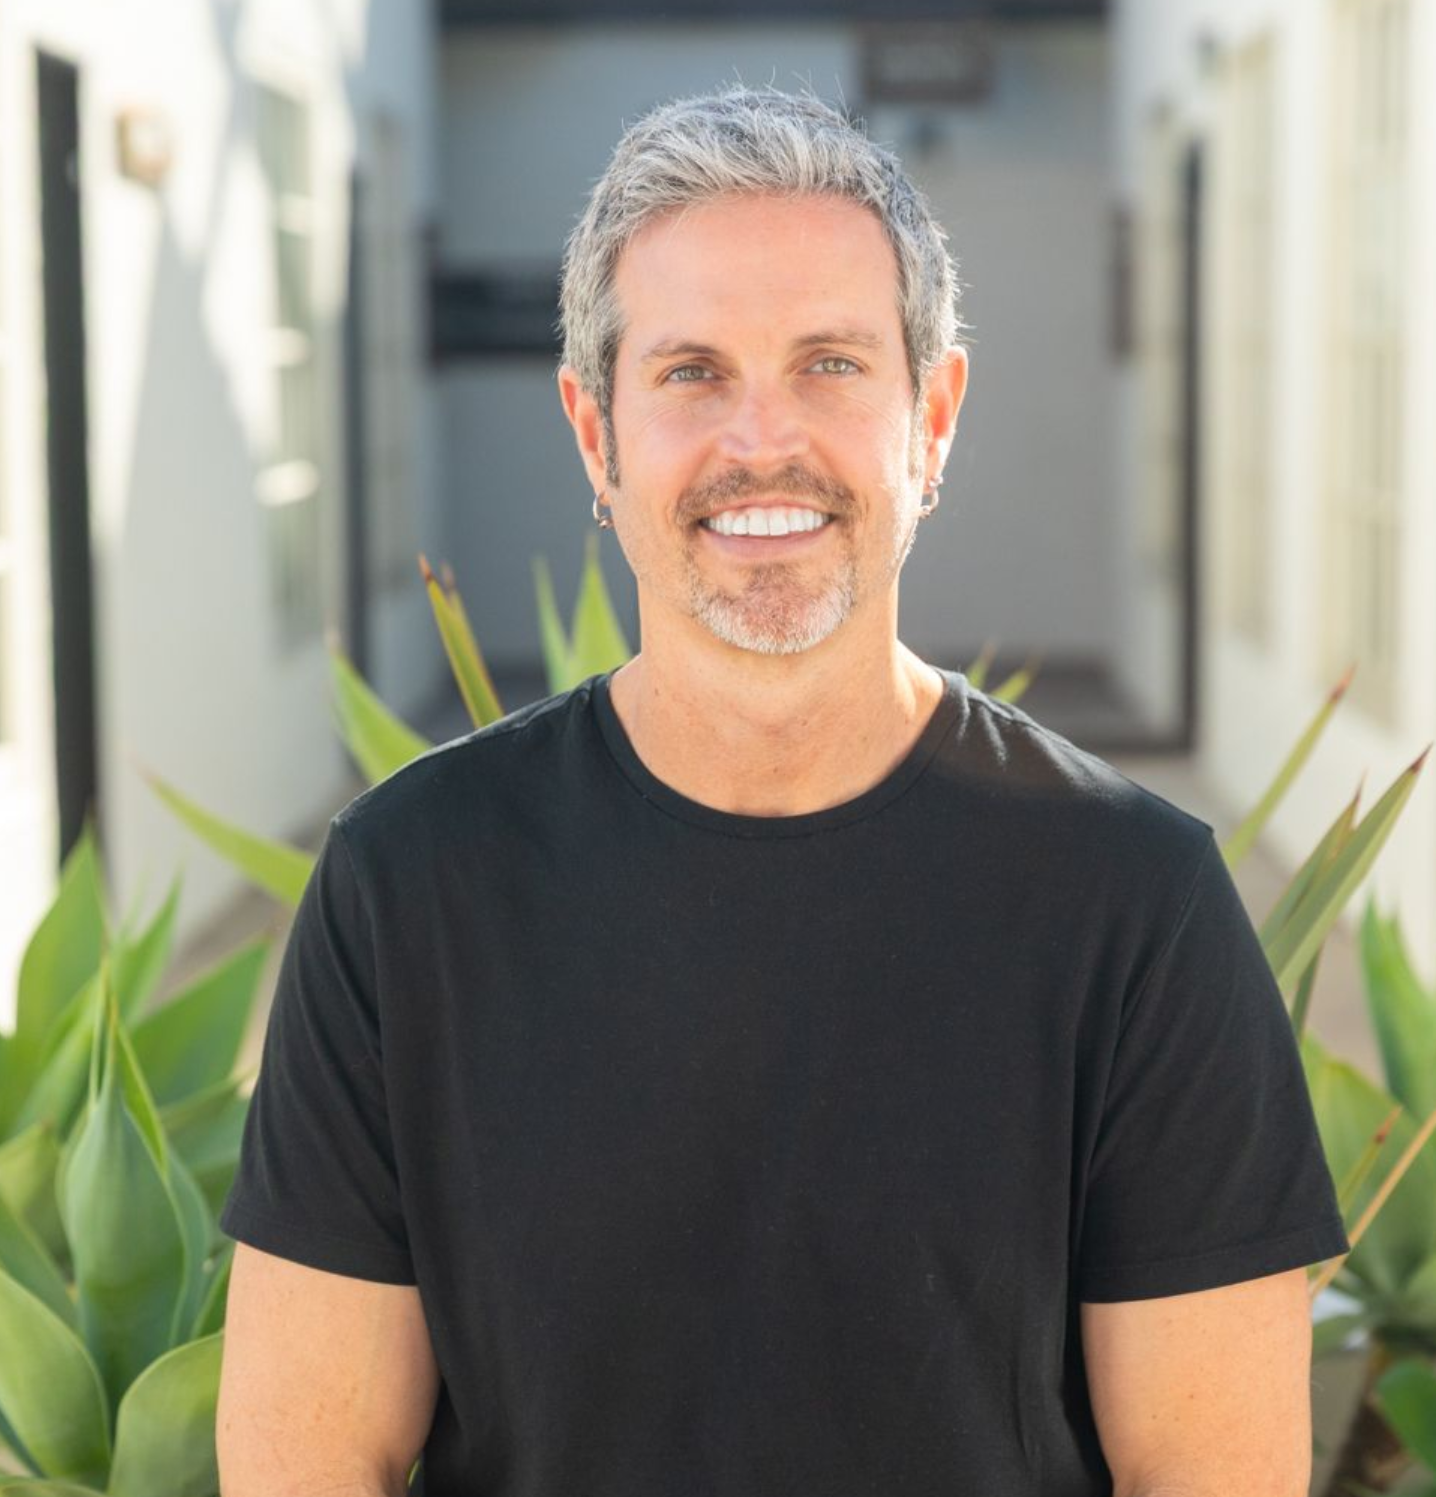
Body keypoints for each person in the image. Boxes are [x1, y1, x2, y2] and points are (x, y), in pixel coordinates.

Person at [216, 84, 1349, 1497]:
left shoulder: (1134, 906)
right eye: (692, 371)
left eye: (830, 364)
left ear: (930, 416)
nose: (764, 443)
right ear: (596, 432)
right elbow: (313, 1457)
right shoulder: (407, 889)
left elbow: (1211, 1471)